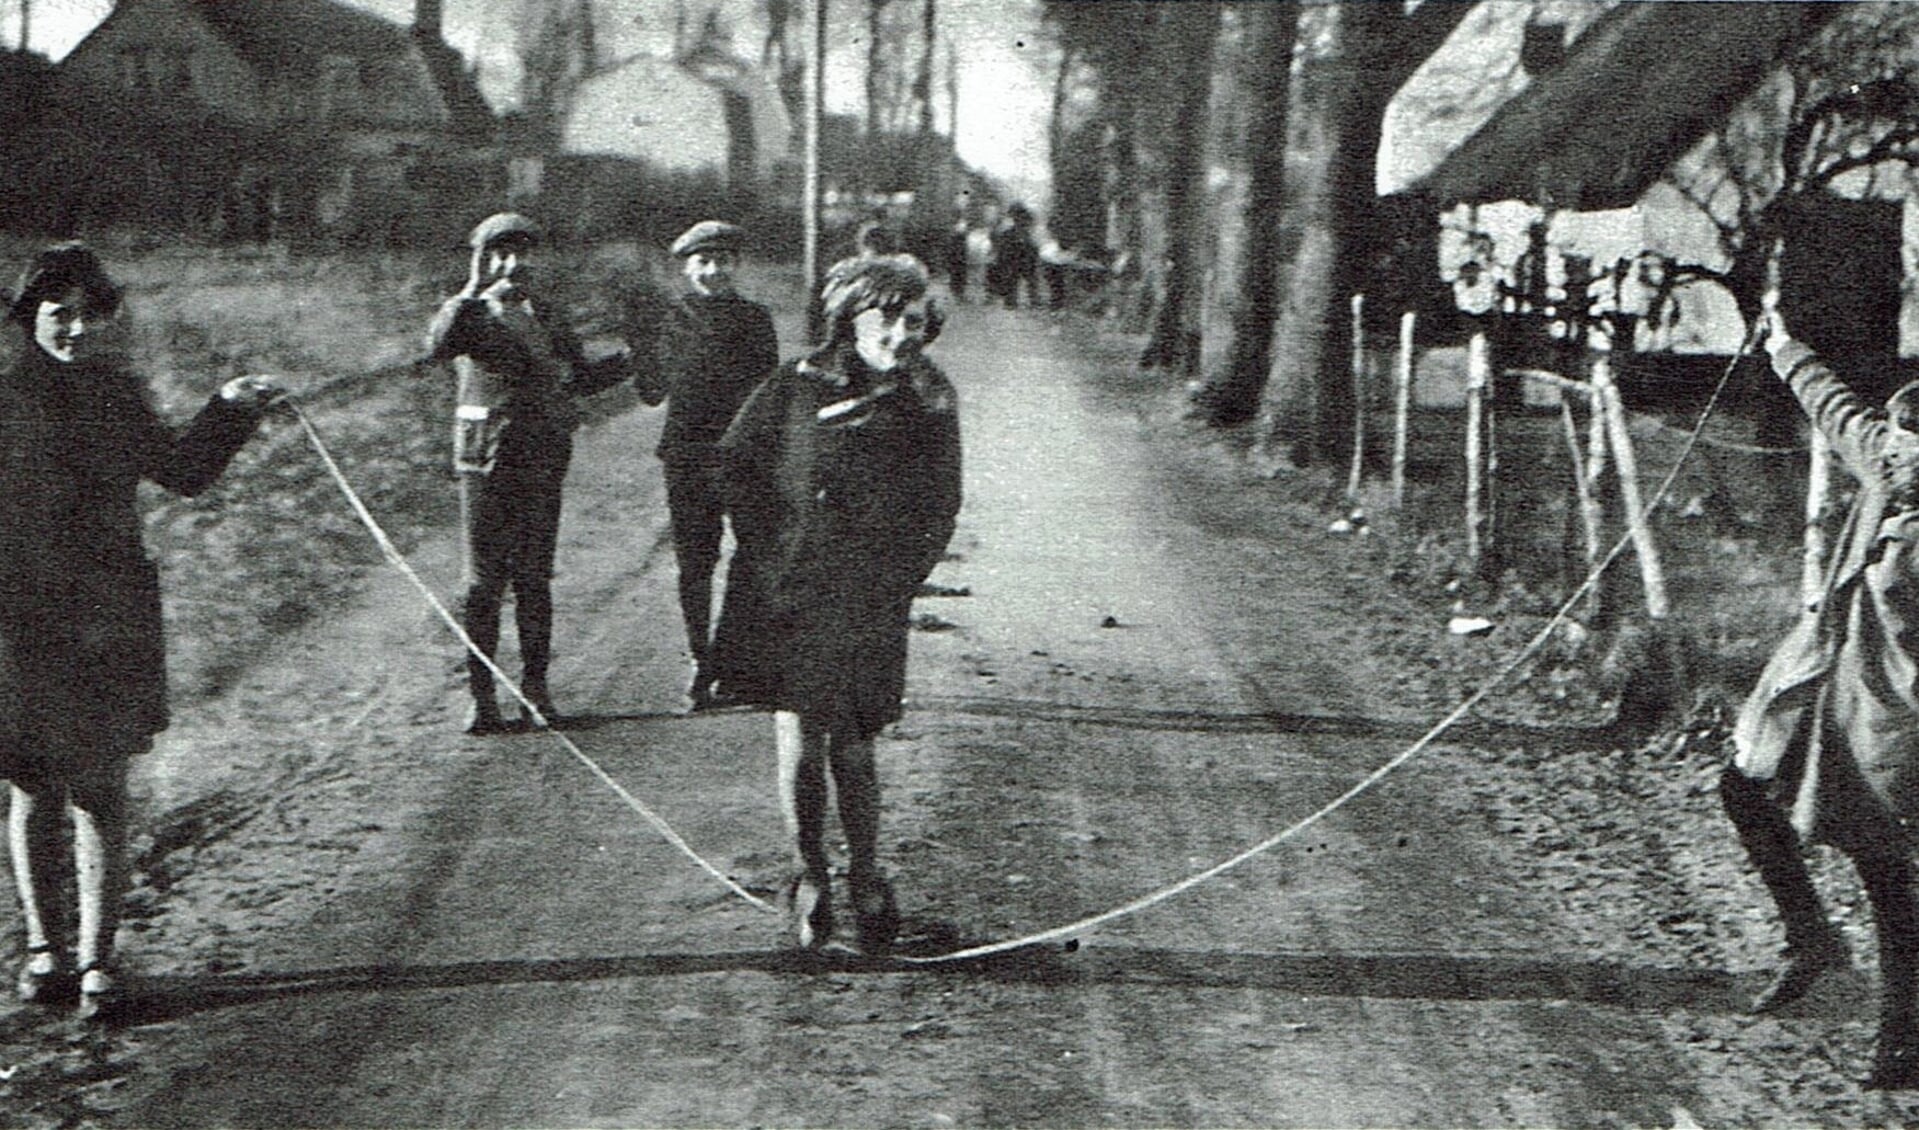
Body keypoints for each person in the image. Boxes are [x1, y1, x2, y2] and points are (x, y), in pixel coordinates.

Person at [0, 242, 286, 1019]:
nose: (77, 330)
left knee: (99, 788)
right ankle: (44, 952)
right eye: (59, 315)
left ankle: (96, 962)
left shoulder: (117, 398)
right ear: (29, 320)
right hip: (19, 617)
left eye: (92, 315)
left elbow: (184, 472)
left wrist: (230, 408)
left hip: (106, 616)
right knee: (31, 787)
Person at [713, 254, 961, 950]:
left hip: (870, 593)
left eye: (914, 320)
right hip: (790, 590)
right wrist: (769, 547)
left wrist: (900, 572)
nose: (901, 334)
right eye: (885, 318)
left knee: (854, 741)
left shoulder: (929, 399)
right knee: (799, 733)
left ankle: (868, 876)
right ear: (850, 317)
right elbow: (736, 464)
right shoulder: (793, 386)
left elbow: (941, 503)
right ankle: (809, 875)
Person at [1721, 305, 1919, 1089]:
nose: (1900, 444)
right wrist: (1782, 344)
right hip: (1831, 689)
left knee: (1886, 870)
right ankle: (1811, 940)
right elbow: (1834, 406)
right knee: (1740, 786)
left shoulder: (1893, 469)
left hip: (1893, 722)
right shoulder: (1885, 459)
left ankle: (1903, 1043)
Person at [425, 212, 628, 734]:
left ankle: (535, 691)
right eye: (498, 254)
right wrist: (471, 288)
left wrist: (632, 359)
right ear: (480, 259)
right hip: (484, 458)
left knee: (534, 578)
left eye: (521, 253)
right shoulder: (470, 315)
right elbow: (436, 346)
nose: (511, 265)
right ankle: (482, 696)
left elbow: (580, 381)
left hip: (541, 454)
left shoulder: (549, 318)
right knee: (482, 583)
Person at [634, 220, 779, 710]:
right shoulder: (668, 319)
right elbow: (652, 392)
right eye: (703, 262)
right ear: (686, 267)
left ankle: (734, 662)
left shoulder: (755, 319)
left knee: (754, 556)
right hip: (687, 454)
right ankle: (700, 662)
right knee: (695, 563)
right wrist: (638, 347)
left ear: (736, 265)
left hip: (742, 455)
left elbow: (768, 395)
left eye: (723, 261)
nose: (713, 271)